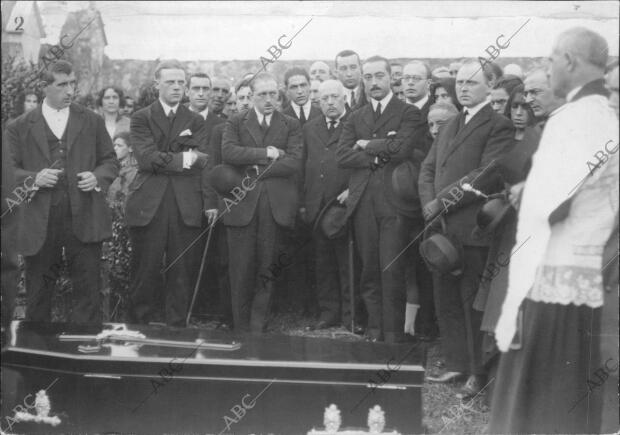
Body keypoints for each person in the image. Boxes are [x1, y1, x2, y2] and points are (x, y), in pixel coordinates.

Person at [491, 27, 618, 434]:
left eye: (549, 61)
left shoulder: (578, 116)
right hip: (578, 271)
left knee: (541, 398)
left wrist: (527, 195)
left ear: (568, 60)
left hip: (556, 274)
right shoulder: (600, 112)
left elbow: (556, 203)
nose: (547, 71)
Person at [419, 61, 514, 398]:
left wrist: (442, 201)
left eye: (472, 83)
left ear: (490, 85)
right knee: (446, 298)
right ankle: (457, 362)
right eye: (460, 82)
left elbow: (485, 175)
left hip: (473, 229)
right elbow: (428, 168)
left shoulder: (498, 125)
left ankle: (478, 371)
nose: (463, 88)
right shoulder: (451, 122)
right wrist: (429, 204)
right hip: (442, 230)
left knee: (472, 303)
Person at [6, 60, 119, 323]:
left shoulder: (91, 120)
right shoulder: (19, 126)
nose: (70, 91)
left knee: (88, 290)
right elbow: (8, 171)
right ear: (44, 87)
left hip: (84, 215)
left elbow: (110, 161)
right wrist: (34, 178)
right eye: (62, 85)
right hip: (40, 220)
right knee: (39, 293)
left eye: (72, 84)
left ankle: (85, 349)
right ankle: (38, 352)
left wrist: (97, 177)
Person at [336, 55, 421, 343]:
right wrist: (382, 149)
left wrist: (367, 144)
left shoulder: (407, 112)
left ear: (390, 79)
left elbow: (404, 147)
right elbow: (343, 155)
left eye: (379, 76)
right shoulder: (355, 116)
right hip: (362, 205)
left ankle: (393, 336)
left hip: (394, 205)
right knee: (369, 270)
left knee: (392, 270)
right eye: (368, 77)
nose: (373, 82)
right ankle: (374, 333)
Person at [125, 60, 210, 327]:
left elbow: (203, 159)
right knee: (145, 269)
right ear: (156, 85)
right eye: (170, 82)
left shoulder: (195, 119)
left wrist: (177, 158)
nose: (176, 87)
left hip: (185, 203)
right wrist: (184, 159)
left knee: (182, 270)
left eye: (180, 82)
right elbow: (147, 159)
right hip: (149, 204)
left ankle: (177, 330)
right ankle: (138, 328)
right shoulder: (142, 117)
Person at [472, 85, 541, 401]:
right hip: (502, 227)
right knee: (494, 301)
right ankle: (488, 377)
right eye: (513, 105)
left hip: (529, 228)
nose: (518, 111)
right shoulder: (502, 140)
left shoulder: (540, 138)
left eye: (524, 106)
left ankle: (508, 384)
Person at [221, 72, 302, 333]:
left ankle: (257, 328)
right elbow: (229, 153)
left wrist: (255, 168)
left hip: (274, 206)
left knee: (267, 268)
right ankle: (240, 327)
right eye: (262, 95)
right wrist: (267, 153)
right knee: (241, 268)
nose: (268, 100)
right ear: (251, 95)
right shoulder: (235, 122)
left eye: (273, 94)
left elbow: (293, 163)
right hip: (242, 205)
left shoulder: (290, 124)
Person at [302, 80, 353, 329]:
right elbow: (304, 166)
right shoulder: (310, 128)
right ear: (318, 101)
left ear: (344, 98)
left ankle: (351, 315)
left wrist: (353, 189)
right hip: (316, 206)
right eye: (324, 99)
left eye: (334, 97)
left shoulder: (355, 123)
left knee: (347, 262)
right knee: (323, 263)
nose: (330, 102)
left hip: (343, 206)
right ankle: (328, 312)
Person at [103, 131, 138, 320]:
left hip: (126, 227)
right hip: (112, 227)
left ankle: (126, 316)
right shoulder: (112, 169)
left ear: (130, 148)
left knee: (125, 270)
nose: (115, 149)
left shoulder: (134, 172)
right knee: (113, 270)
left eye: (119, 145)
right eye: (114, 145)